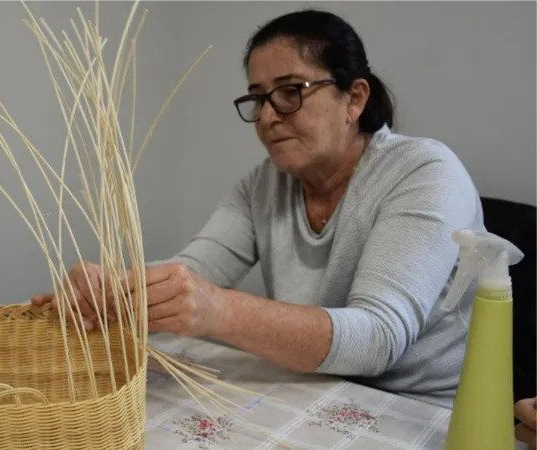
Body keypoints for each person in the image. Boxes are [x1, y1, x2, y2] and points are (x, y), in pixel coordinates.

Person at [32, 9, 483, 410]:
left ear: (355, 98)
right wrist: (112, 288)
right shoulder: (263, 185)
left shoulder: (424, 173)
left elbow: (378, 339)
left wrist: (219, 311)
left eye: (291, 92)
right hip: (315, 391)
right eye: (258, 98)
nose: (268, 116)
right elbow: (193, 271)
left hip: (423, 413)